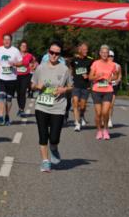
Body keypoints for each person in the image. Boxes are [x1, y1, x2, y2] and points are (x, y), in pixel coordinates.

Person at [31, 41, 73, 172]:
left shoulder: (64, 69)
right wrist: (37, 86)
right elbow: (32, 84)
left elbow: (71, 86)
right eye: (52, 52)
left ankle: (54, 148)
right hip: (42, 106)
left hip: (58, 107)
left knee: (54, 137)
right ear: (48, 52)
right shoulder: (40, 67)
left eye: (57, 53)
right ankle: (45, 161)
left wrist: (63, 90)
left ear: (59, 55)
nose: (54, 55)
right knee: (43, 135)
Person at [89, 45, 117, 140]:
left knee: (105, 112)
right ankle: (99, 130)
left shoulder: (112, 64)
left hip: (108, 90)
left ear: (108, 54)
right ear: (100, 53)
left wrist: (111, 78)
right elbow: (90, 77)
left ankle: (105, 130)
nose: (105, 54)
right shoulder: (95, 63)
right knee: (98, 113)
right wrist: (97, 76)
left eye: (106, 53)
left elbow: (116, 76)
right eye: (103, 52)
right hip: (96, 90)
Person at [0, 34, 21, 126]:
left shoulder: (15, 51)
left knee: (8, 99)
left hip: (12, 78)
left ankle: (7, 115)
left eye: (8, 39)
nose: (6, 41)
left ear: (11, 41)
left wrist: (15, 64)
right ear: (2, 40)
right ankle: (1, 117)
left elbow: (21, 62)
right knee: (0, 95)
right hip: (0, 76)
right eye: (5, 39)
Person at [69, 42, 93, 132]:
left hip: (85, 86)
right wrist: (70, 79)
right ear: (79, 50)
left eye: (86, 49)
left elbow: (93, 72)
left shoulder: (90, 60)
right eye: (84, 49)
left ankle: (82, 115)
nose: (86, 51)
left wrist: (88, 76)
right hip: (76, 85)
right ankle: (77, 123)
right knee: (75, 102)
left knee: (82, 106)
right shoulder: (74, 60)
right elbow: (71, 69)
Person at [15, 40, 37, 119]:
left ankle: (22, 109)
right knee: (18, 93)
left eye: (25, 46)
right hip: (16, 76)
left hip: (26, 76)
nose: (24, 47)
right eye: (22, 46)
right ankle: (20, 107)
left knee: (23, 92)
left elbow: (34, 62)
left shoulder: (29, 55)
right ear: (20, 47)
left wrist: (33, 67)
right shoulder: (16, 55)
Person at [107, 50, 123, 129]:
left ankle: (109, 119)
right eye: (109, 56)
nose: (110, 58)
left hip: (113, 86)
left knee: (111, 105)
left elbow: (120, 75)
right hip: (105, 86)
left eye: (111, 56)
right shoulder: (103, 64)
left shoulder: (117, 66)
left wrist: (118, 80)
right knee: (104, 104)